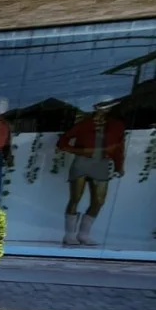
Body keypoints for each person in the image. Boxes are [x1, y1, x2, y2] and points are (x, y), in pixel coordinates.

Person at [56, 101, 125, 246]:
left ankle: (84, 234)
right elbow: (63, 140)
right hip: (83, 161)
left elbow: (119, 147)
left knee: (99, 201)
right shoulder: (85, 124)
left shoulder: (116, 125)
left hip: (102, 162)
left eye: (106, 107)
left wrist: (119, 165)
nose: (103, 110)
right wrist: (78, 151)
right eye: (101, 107)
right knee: (75, 198)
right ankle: (69, 235)